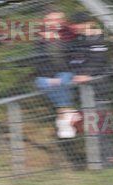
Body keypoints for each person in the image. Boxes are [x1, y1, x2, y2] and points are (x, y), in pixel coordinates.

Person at [34, 9, 79, 137]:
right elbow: (39, 61)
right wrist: (50, 78)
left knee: (62, 80)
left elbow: (72, 57)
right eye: (50, 20)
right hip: (48, 75)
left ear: (62, 21)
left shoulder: (70, 35)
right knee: (41, 82)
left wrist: (58, 40)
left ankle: (63, 115)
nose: (54, 23)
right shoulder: (40, 39)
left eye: (57, 20)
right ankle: (68, 112)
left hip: (68, 71)